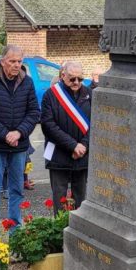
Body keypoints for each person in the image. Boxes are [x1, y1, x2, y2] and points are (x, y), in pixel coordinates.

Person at [0, 45, 40, 236]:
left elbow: (34, 112)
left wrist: (19, 133)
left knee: (16, 191)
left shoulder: (26, 82)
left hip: (19, 146)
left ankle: (15, 234)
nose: (16, 65)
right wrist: (5, 134)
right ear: (3, 61)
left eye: (19, 61)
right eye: (12, 61)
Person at [40, 60, 91, 214]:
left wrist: (84, 145)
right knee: (60, 201)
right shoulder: (51, 95)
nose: (76, 82)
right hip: (59, 155)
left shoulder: (89, 94)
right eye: (72, 78)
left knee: (80, 200)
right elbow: (48, 126)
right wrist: (72, 146)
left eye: (80, 79)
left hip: (82, 155)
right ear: (63, 75)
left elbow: (96, 123)